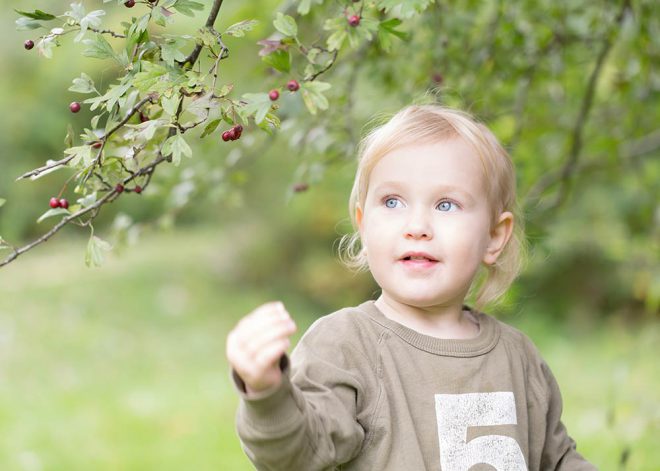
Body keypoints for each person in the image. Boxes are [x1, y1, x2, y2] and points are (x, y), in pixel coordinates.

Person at [225, 105, 596, 470]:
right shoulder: (346, 345)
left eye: (446, 205)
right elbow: (300, 454)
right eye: (392, 201)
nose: (417, 225)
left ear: (494, 237)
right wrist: (267, 393)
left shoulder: (518, 358)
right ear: (363, 224)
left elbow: (558, 459)